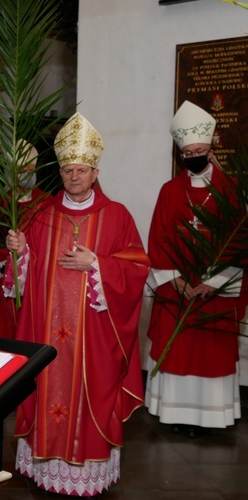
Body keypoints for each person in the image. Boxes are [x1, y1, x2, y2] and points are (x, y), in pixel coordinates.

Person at [5, 113, 150, 496]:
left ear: (95, 172)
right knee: (45, 388)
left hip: (93, 341)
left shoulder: (116, 216)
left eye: (81, 170)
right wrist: (20, 253)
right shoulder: (41, 214)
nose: (74, 176)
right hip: (47, 339)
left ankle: (88, 473)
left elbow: (137, 268)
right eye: (68, 170)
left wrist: (97, 265)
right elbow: (24, 279)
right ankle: (46, 469)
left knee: (91, 396)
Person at [145, 100, 244, 437]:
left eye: (200, 150)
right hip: (178, 289)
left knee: (210, 350)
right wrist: (176, 281)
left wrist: (213, 282)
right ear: (181, 154)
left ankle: (213, 416)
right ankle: (175, 412)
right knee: (179, 349)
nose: (195, 157)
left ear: (212, 147)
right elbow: (157, 238)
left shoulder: (231, 190)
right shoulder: (170, 191)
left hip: (216, 290)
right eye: (189, 153)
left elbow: (240, 239)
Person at [0, 140, 45, 338]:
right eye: (22, 170)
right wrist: (9, 258)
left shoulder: (47, 202)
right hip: (8, 280)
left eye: (31, 169)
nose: (27, 174)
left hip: (37, 280)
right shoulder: (3, 203)